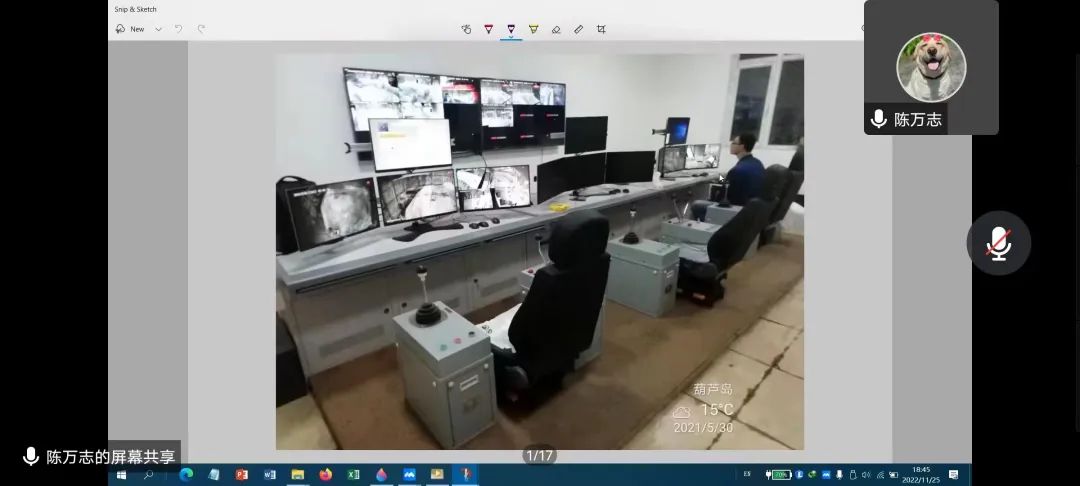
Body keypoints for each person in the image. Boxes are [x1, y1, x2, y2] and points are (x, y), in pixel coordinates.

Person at [725, 133, 765, 205]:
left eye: (734, 143)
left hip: (735, 207)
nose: (731, 145)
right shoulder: (757, 163)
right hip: (751, 206)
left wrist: (719, 177)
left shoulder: (737, 170)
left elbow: (725, 187)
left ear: (742, 146)